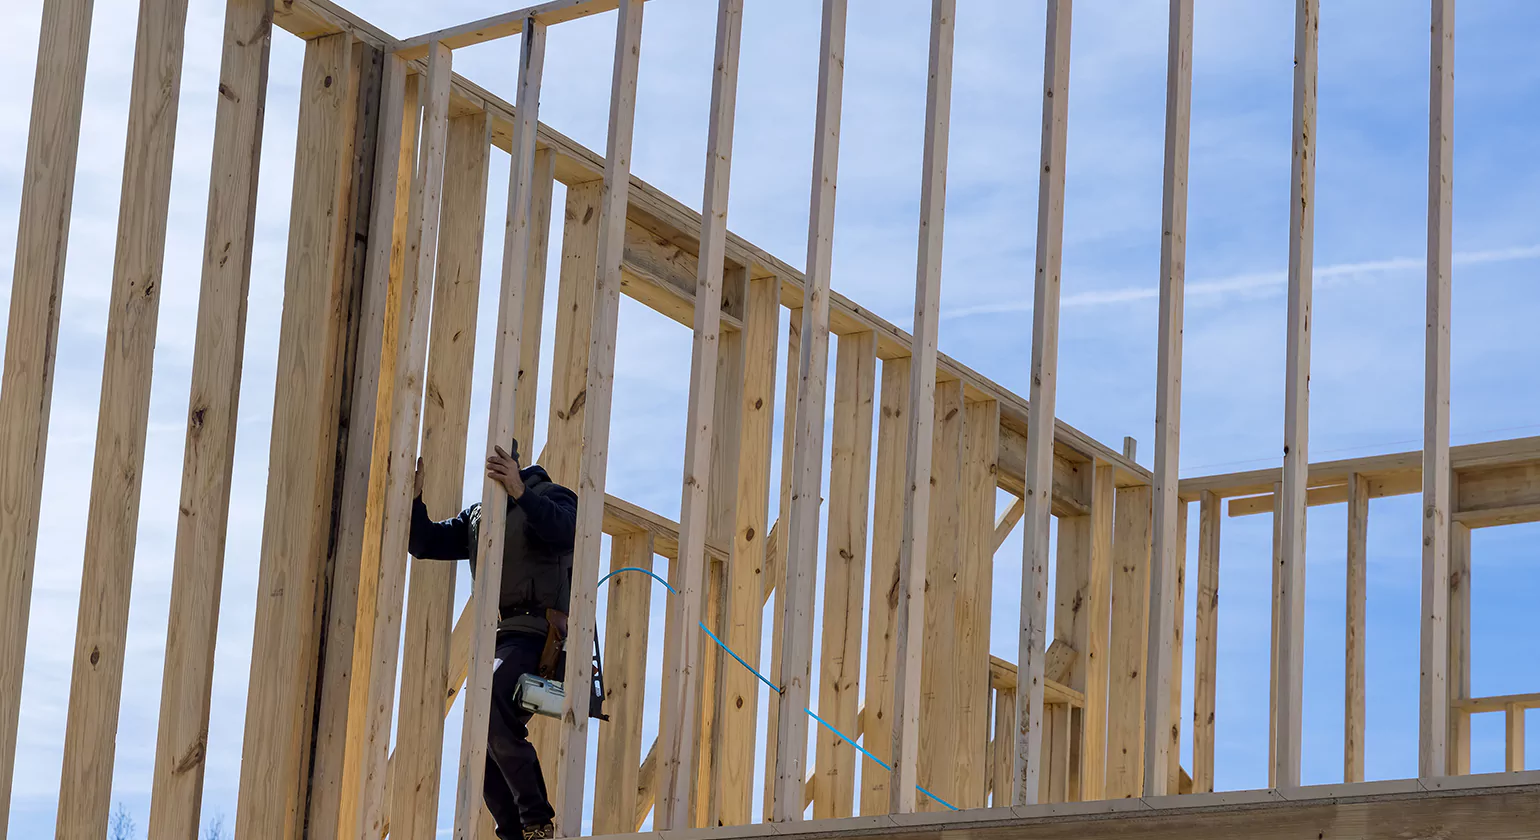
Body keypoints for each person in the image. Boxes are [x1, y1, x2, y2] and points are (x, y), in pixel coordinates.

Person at [409, 440, 577, 840]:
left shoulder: (550, 495)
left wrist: (521, 491)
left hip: (539, 635)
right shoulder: (480, 518)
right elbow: (425, 543)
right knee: (482, 740)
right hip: (500, 639)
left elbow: (566, 531)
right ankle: (514, 833)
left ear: (517, 466)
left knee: (488, 703)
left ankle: (536, 821)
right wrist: (412, 500)